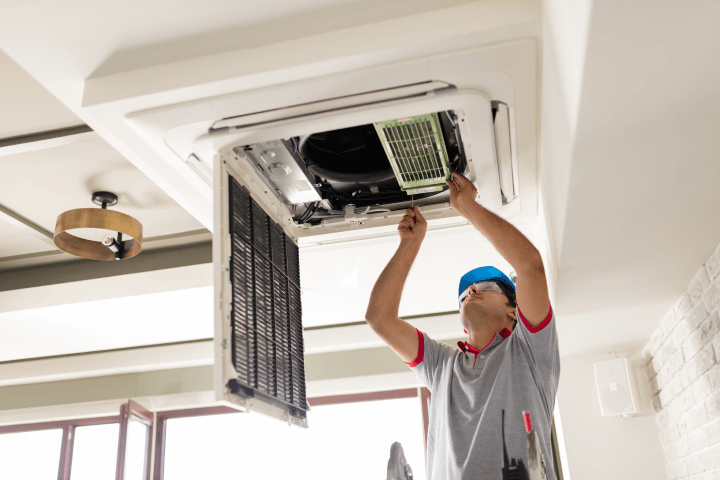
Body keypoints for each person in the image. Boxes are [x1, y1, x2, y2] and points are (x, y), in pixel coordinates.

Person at [365, 172, 560, 480]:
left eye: (485, 286)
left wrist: (467, 206)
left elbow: (529, 264)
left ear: (514, 311)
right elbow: (380, 318)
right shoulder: (441, 365)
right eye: (463, 297)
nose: (470, 291)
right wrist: (409, 244)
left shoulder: (530, 351)